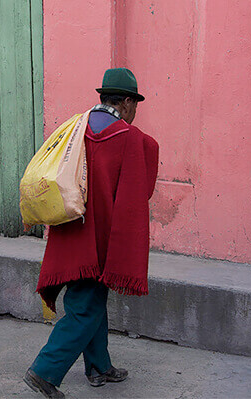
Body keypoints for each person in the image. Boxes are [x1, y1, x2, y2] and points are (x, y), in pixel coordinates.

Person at [24, 68, 159, 398]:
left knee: (91, 300)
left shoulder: (74, 129)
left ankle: (99, 366)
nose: (134, 112)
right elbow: (142, 187)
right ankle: (44, 371)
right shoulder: (131, 139)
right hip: (100, 240)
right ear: (126, 103)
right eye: (135, 105)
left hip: (69, 230)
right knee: (85, 308)